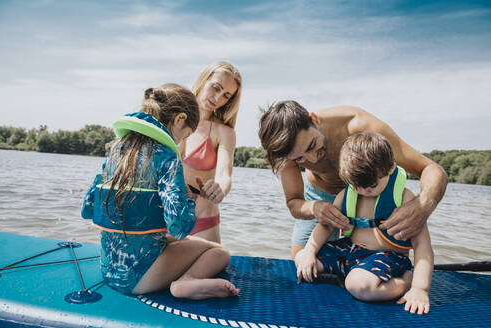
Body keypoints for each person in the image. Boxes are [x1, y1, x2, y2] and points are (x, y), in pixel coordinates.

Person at [81, 84, 239, 299]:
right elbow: (180, 227)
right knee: (218, 252)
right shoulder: (167, 157)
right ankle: (186, 282)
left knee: (166, 240)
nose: (180, 143)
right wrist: (189, 199)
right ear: (180, 119)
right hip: (138, 278)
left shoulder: (118, 149)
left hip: (109, 271)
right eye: (184, 137)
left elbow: (88, 209)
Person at [258, 101, 447, 259]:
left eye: (312, 145)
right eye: (299, 159)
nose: (312, 159)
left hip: (371, 194)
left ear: (313, 119)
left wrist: (422, 206)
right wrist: (314, 208)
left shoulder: (360, 126)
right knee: (302, 265)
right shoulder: (284, 151)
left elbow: (431, 169)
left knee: (379, 267)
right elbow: (294, 203)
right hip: (320, 196)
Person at [295, 132, 434, 314]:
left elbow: (423, 246)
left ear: (390, 169)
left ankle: (404, 281)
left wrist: (419, 289)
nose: (365, 191)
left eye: (372, 186)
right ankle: (350, 272)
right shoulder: (346, 195)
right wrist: (310, 252)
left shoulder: (404, 199)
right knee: (302, 259)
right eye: (357, 187)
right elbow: (326, 226)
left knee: (358, 286)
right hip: (348, 251)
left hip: (387, 256)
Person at [180, 61, 242, 243]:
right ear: (203, 79)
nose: (218, 98)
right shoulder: (172, 118)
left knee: (216, 262)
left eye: (226, 96)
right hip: (164, 218)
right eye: (216, 88)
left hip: (203, 222)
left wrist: (219, 189)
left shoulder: (224, 132)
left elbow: (224, 175)